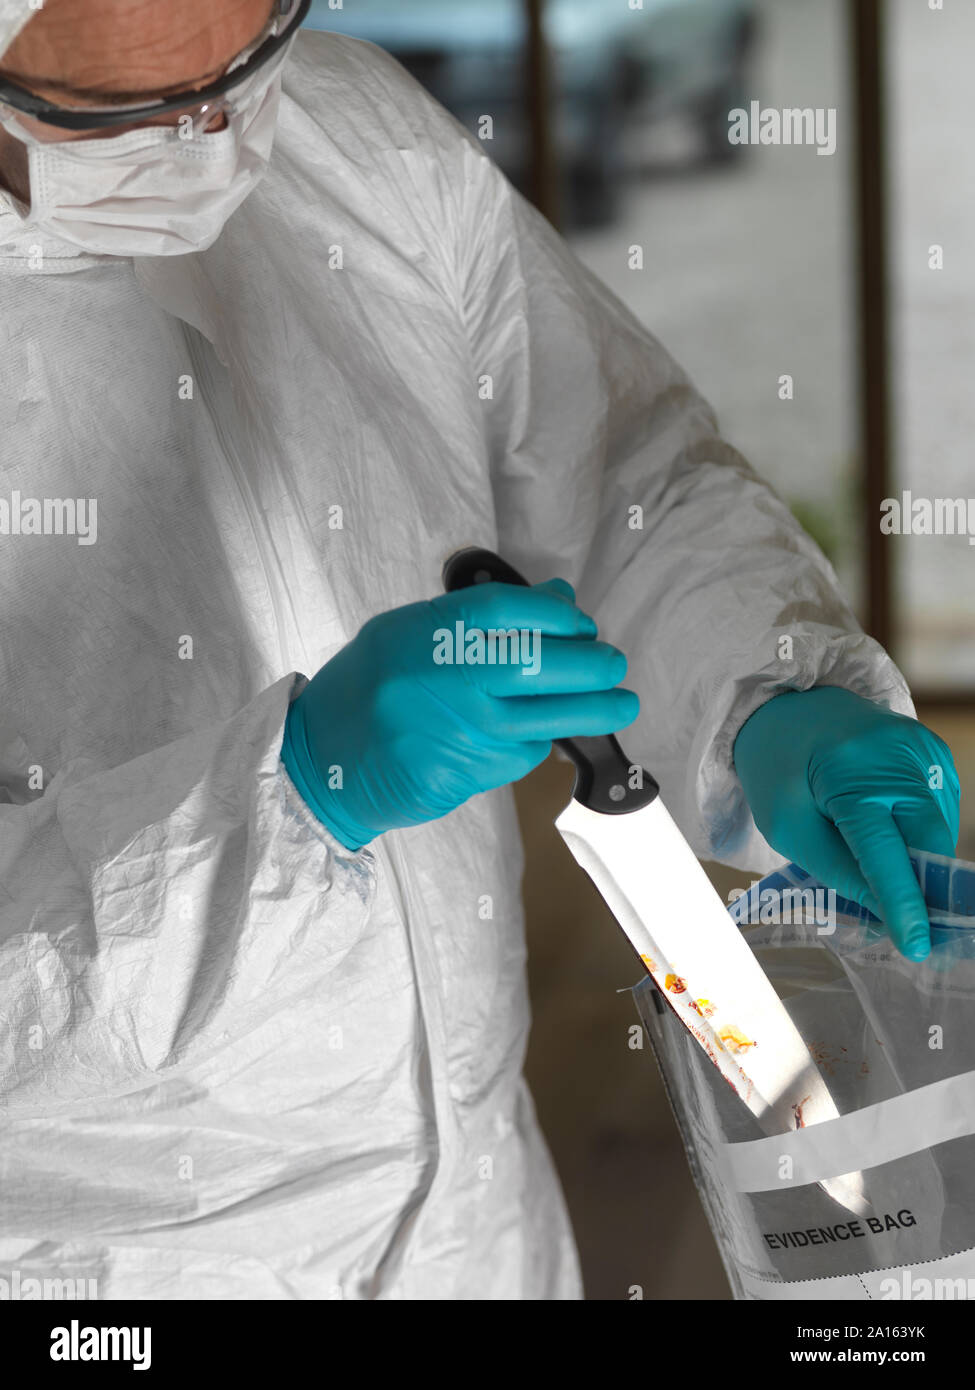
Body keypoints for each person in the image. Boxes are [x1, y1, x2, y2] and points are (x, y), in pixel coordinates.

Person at [0, 0, 959, 1301]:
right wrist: (288, 808)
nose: (218, 133)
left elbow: (617, 474)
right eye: (132, 103)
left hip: (477, 1219)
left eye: (252, 47)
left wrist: (766, 694)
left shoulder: (354, 138)